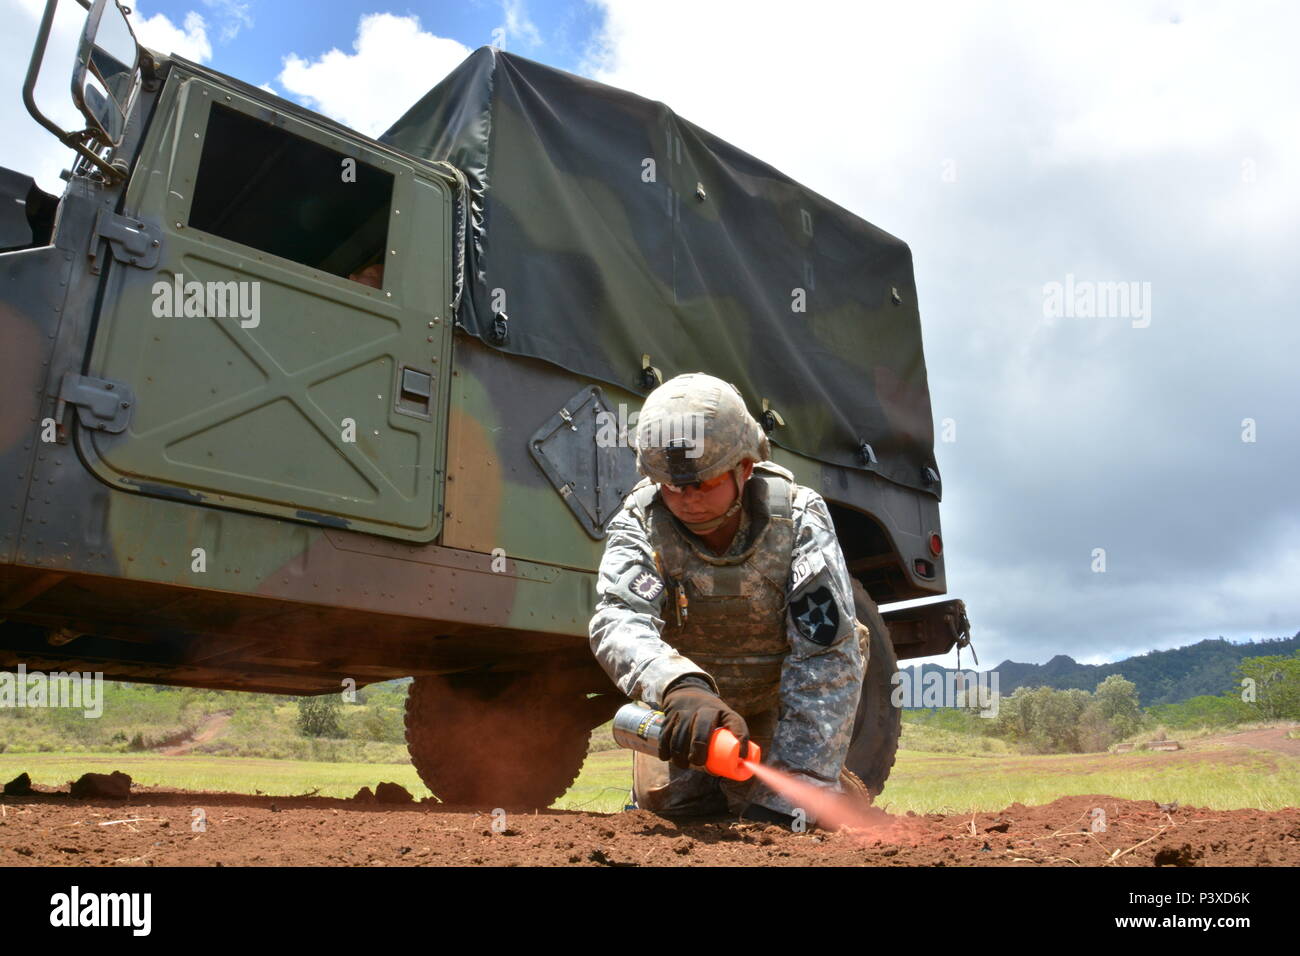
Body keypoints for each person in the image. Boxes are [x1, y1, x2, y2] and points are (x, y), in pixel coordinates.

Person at [588, 372, 869, 827]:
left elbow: (826, 653)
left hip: (782, 700)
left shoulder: (799, 517)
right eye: (672, 487)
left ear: (745, 467)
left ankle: (826, 781)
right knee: (675, 807)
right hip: (693, 708)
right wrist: (678, 686)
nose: (687, 500)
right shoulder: (639, 522)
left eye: (704, 483)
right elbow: (618, 619)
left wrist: (797, 787)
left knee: (787, 807)